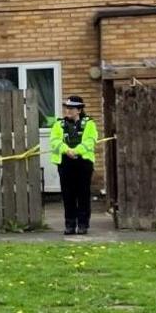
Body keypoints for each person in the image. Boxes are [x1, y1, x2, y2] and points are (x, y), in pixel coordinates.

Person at [50, 96, 97, 235]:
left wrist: (76, 151)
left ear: (79, 110)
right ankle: (70, 225)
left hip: (83, 162)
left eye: (71, 108)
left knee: (83, 194)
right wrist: (67, 150)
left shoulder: (89, 124)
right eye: (67, 107)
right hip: (65, 163)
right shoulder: (59, 124)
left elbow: (90, 141)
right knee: (68, 195)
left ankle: (83, 225)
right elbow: (54, 141)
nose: (68, 110)